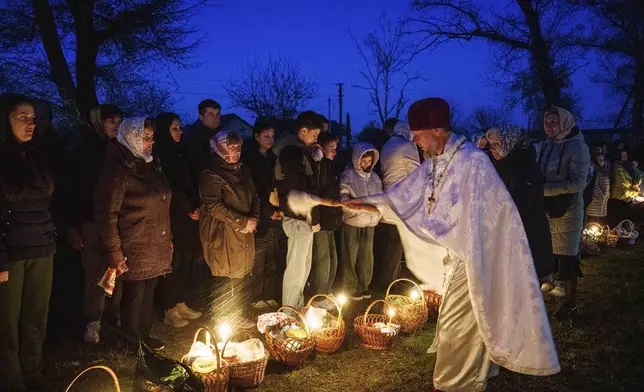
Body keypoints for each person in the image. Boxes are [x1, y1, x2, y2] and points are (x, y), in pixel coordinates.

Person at [347, 97, 560, 391]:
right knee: (465, 324)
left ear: (435, 130)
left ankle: (453, 385)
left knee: (457, 325)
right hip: (459, 257)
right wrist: (363, 204)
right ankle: (468, 380)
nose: (415, 142)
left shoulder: (472, 161)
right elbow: (404, 198)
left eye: (418, 135)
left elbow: (496, 214)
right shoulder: (438, 162)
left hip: (479, 258)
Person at [94, 117, 172, 351]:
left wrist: (168, 239)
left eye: (151, 137)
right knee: (134, 295)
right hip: (133, 245)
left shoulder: (151, 164)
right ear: (130, 137)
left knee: (149, 292)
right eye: (144, 137)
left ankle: (143, 337)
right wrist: (114, 251)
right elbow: (107, 213)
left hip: (155, 242)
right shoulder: (118, 169)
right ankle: (130, 340)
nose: (150, 141)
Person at [0, 94, 57, 391]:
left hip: (42, 247)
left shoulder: (38, 154)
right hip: (12, 253)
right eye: (22, 117)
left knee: (36, 315)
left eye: (33, 118)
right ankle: (11, 380)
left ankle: (33, 372)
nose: (30, 123)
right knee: (6, 322)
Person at [68, 104, 124, 344]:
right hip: (91, 223)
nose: (116, 126)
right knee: (95, 273)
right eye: (111, 121)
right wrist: (74, 225)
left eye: (118, 121)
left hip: (115, 221)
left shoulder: (118, 150)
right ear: (99, 123)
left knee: (116, 270)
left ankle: (112, 318)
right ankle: (94, 321)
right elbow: (74, 191)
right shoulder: (85, 152)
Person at [199, 131, 259, 328]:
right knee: (224, 273)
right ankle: (221, 319)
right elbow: (213, 206)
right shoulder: (211, 173)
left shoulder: (242, 169)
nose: (236, 151)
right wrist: (242, 222)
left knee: (239, 274)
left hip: (243, 230)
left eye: (238, 147)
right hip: (222, 231)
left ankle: (236, 314)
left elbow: (255, 196)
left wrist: (253, 219)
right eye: (231, 147)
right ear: (220, 148)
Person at [536, 106, 590, 321]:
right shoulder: (546, 146)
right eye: (547, 122)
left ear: (566, 122)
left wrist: (543, 189)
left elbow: (579, 182)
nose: (549, 127)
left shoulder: (578, 148)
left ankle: (570, 304)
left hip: (568, 211)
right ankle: (549, 288)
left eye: (554, 122)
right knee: (549, 255)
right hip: (546, 208)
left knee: (567, 258)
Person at [153, 112, 203, 328]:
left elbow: (189, 182)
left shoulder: (180, 153)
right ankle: (169, 307)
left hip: (188, 217)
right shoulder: (161, 157)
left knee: (185, 261)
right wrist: (189, 206)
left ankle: (180, 301)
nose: (180, 132)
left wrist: (197, 205)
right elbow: (171, 186)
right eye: (174, 128)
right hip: (174, 216)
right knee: (173, 263)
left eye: (180, 127)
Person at [485, 125, 554, 282]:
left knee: (523, 280)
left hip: (525, 233)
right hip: (507, 231)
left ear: (510, 143)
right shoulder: (500, 165)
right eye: (491, 144)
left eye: (497, 144)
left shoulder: (525, 168)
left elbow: (519, 203)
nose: (492, 148)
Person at [274, 111, 322, 308]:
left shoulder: (298, 151)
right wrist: (315, 217)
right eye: (314, 135)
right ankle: (290, 311)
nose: (316, 139)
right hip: (298, 216)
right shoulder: (292, 152)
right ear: (303, 131)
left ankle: (297, 306)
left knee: (303, 265)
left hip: (301, 216)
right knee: (297, 267)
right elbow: (301, 189)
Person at [374, 121, 420, 290]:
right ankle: (391, 283)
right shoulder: (407, 146)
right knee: (397, 245)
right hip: (404, 203)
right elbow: (417, 173)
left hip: (388, 201)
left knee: (389, 244)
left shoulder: (387, 146)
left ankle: (386, 279)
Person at [243, 120, 283, 311]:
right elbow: (255, 190)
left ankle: (269, 293)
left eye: (272, 136)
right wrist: (266, 211)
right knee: (259, 257)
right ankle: (256, 295)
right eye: (266, 135)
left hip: (273, 212)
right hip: (259, 214)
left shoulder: (273, 158)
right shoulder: (250, 160)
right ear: (256, 136)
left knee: (272, 256)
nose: (270, 139)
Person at [339, 143, 383, 301]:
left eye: (369, 161)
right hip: (352, 222)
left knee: (366, 256)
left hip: (370, 223)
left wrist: (378, 212)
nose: (366, 164)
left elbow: (381, 198)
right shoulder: (347, 175)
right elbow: (343, 199)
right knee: (350, 255)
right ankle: (350, 287)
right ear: (357, 159)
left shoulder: (375, 178)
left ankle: (363, 285)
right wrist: (360, 208)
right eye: (363, 161)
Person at [308, 132, 342, 309]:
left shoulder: (330, 166)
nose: (335, 151)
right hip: (321, 219)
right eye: (331, 148)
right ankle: (319, 297)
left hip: (331, 219)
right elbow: (316, 194)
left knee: (332, 258)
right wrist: (316, 218)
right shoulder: (319, 166)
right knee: (323, 259)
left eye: (336, 148)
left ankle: (327, 291)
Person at [183, 99, 222, 184]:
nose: (216, 118)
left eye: (218, 114)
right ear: (201, 116)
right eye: (211, 114)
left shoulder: (221, 136)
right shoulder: (191, 136)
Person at [608, 149, 644, 225]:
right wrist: (633, 186)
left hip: (628, 197)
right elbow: (620, 180)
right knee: (618, 218)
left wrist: (636, 183)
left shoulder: (628, 165)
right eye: (623, 155)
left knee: (625, 218)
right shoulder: (616, 165)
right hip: (619, 197)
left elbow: (638, 175)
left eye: (626, 155)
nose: (625, 156)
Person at [586, 152, 611, 225]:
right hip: (595, 202)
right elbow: (594, 185)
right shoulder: (594, 170)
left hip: (603, 203)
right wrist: (601, 195)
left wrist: (606, 195)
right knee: (591, 223)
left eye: (603, 159)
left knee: (600, 224)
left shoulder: (604, 170)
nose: (602, 161)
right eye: (600, 159)